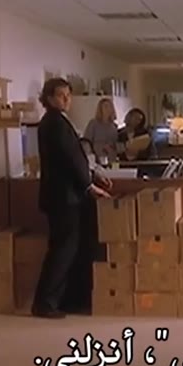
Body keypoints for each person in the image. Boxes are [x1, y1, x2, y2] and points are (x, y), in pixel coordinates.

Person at [32, 78, 112, 319]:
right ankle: (45, 302)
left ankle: (62, 300)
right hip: (63, 198)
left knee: (68, 249)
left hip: (65, 197)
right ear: (49, 98)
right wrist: (89, 185)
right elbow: (71, 159)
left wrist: (93, 175)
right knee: (63, 250)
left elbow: (76, 158)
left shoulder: (58, 121)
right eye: (60, 95)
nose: (66, 99)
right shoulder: (54, 123)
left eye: (68, 94)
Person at [83, 98, 119, 162]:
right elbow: (86, 142)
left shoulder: (114, 126)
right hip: (96, 157)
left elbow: (116, 143)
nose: (108, 109)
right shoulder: (93, 123)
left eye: (110, 106)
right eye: (105, 106)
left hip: (110, 157)